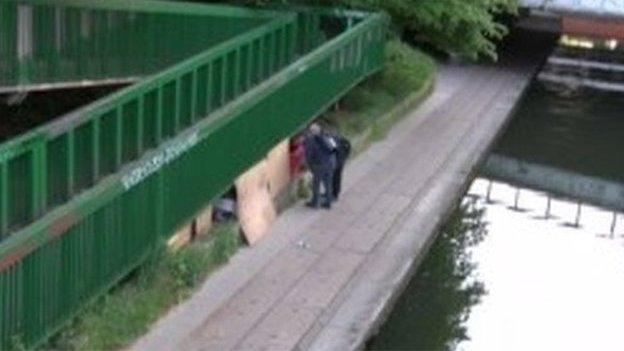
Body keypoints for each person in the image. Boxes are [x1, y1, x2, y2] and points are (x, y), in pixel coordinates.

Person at [304, 123, 337, 209]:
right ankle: (328, 202)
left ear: (311, 132)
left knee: (316, 183)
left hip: (320, 165)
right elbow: (334, 147)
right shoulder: (326, 136)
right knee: (328, 182)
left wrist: (309, 165)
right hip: (331, 162)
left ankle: (315, 203)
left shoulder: (311, 141)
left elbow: (309, 155)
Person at [330, 132, 351, 201]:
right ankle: (335, 192)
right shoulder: (343, 141)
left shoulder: (333, 143)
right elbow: (348, 147)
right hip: (341, 161)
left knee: (335, 178)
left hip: (336, 162)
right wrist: (346, 156)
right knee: (337, 177)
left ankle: (334, 195)